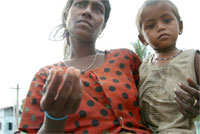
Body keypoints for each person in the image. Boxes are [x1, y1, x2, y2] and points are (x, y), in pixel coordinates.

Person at [18, 0, 151, 133]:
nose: (87, 12)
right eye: (80, 4)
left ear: (103, 26)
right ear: (66, 15)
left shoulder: (126, 58)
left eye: (98, 9)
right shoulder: (46, 75)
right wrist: (54, 118)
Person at [136, 0, 200, 133]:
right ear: (142, 39)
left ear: (180, 26)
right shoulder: (142, 67)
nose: (160, 27)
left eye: (166, 21)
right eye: (151, 25)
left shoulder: (193, 58)